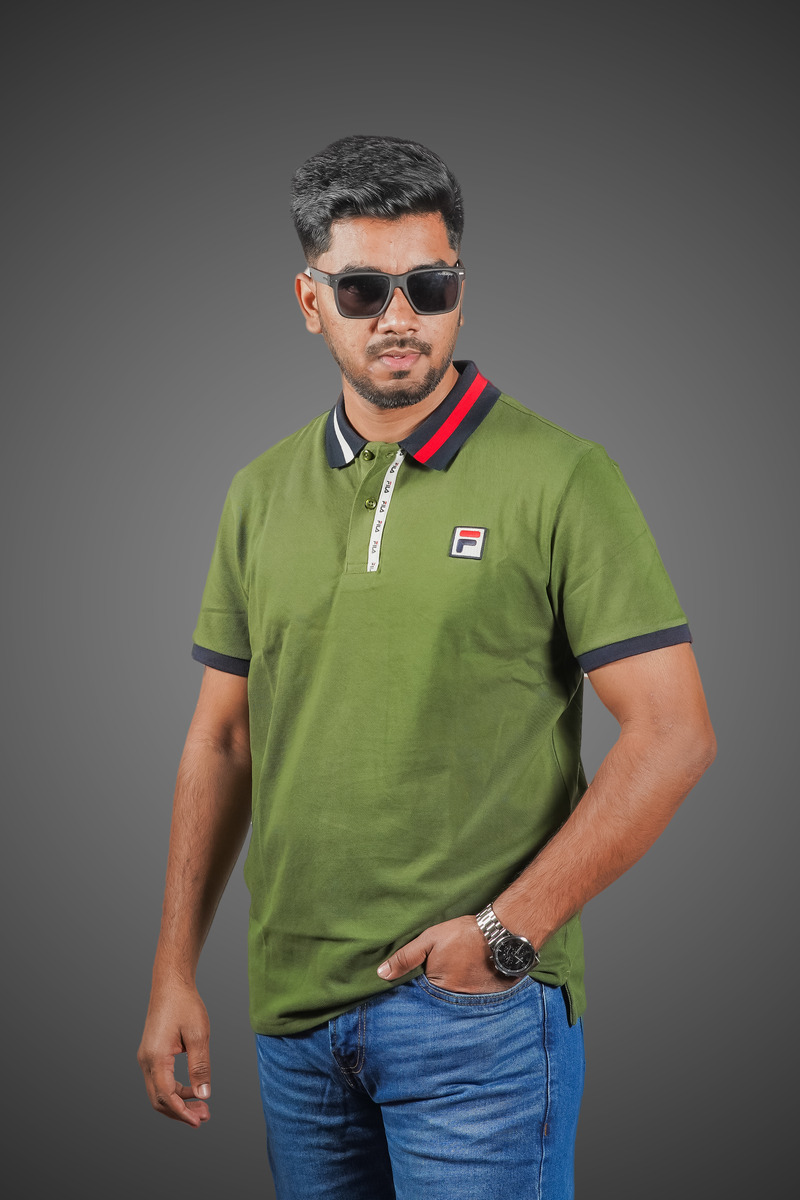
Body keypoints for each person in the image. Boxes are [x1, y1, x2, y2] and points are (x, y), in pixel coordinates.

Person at [138, 134, 716, 1199]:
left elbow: (674, 733)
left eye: (429, 285)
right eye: (362, 289)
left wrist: (503, 936)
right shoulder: (257, 494)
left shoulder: (562, 477)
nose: (398, 316)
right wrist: (174, 970)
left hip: (475, 1020)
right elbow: (222, 741)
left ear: (460, 288)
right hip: (295, 1020)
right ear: (310, 300)